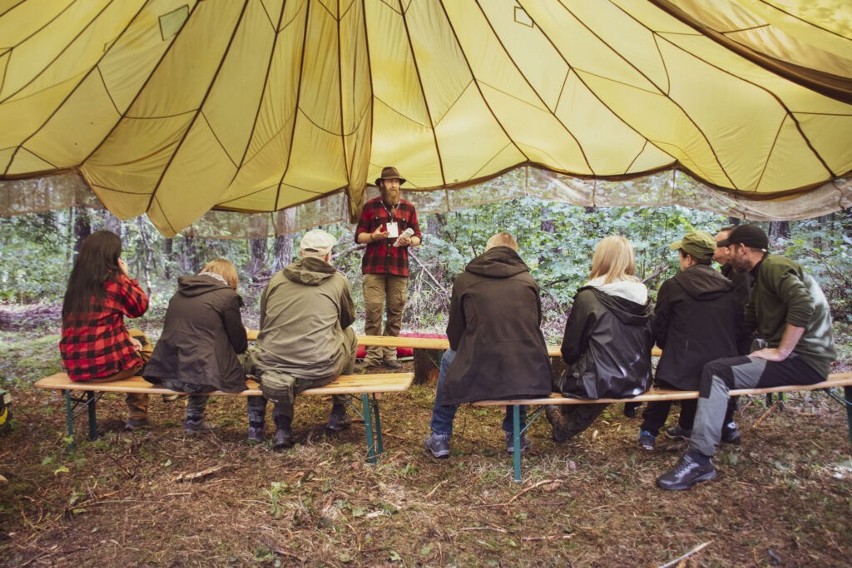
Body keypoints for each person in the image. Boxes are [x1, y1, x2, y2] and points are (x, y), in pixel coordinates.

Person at [657, 224, 836, 490]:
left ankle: (699, 460)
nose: (724, 256)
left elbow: (802, 303)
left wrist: (782, 351)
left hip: (803, 360)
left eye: (727, 250)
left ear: (742, 249)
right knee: (720, 365)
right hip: (797, 357)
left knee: (716, 372)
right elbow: (748, 319)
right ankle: (715, 433)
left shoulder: (774, 266)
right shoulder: (758, 275)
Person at [424, 233, 552, 458]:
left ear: (487, 251)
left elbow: (455, 334)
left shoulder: (464, 280)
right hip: (521, 363)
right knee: (519, 356)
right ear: (515, 252)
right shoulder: (528, 282)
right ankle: (516, 436)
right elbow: (534, 326)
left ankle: (440, 435)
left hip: (479, 362)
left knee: (448, 360)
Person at [247, 229, 358, 450]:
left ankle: (280, 428)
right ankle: (339, 412)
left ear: (301, 253)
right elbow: (346, 321)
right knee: (350, 335)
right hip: (318, 368)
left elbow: (265, 323)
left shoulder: (277, 279)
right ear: (328, 256)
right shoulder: (338, 281)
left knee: (278, 354)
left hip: (270, 365)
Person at [638, 231, 742, 451]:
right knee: (696, 367)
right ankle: (715, 425)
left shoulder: (673, 286)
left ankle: (649, 430)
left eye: (681, 254)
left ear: (689, 258)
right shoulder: (729, 286)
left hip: (679, 369)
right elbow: (738, 327)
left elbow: (660, 327)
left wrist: (671, 346)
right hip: (720, 367)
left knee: (669, 371)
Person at [545, 236, 653, 442]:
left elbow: (570, 349)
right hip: (637, 379)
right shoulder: (644, 298)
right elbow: (648, 340)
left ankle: (561, 423)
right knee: (596, 376)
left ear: (600, 259)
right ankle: (564, 425)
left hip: (598, 381)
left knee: (560, 371)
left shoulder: (589, 297)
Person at [59, 230, 151, 430]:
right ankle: (138, 416)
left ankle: (139, 412)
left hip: (76, 368)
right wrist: (126, 275)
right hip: (104, 368)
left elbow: (96, 323)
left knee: (136, 337)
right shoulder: (114, 280)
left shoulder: (76, 285)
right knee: (144, 353)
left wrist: (127, 338)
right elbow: (140, 307)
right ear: (112, 256)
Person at [143, 259, 248, 434]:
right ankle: (255, 427)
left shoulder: (178, 295)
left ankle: (194, 420)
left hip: (168, 374)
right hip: (202, 378)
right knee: (225, 360)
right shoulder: (227, 297)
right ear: (231, 278)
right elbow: (239, 345)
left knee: (201, 357)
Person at [355, 166, 422, 369]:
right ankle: (373, 355)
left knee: (396, 311)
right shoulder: (370, 206)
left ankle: (390, 353)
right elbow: (359, 236)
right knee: (373, 311)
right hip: (374, 268)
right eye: (390, 181)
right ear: (381, 184)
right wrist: (373, 237)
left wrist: (410, 241)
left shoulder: (409, 208)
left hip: (399, 269)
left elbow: (419, 236)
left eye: (397, 182)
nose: (394, 185)